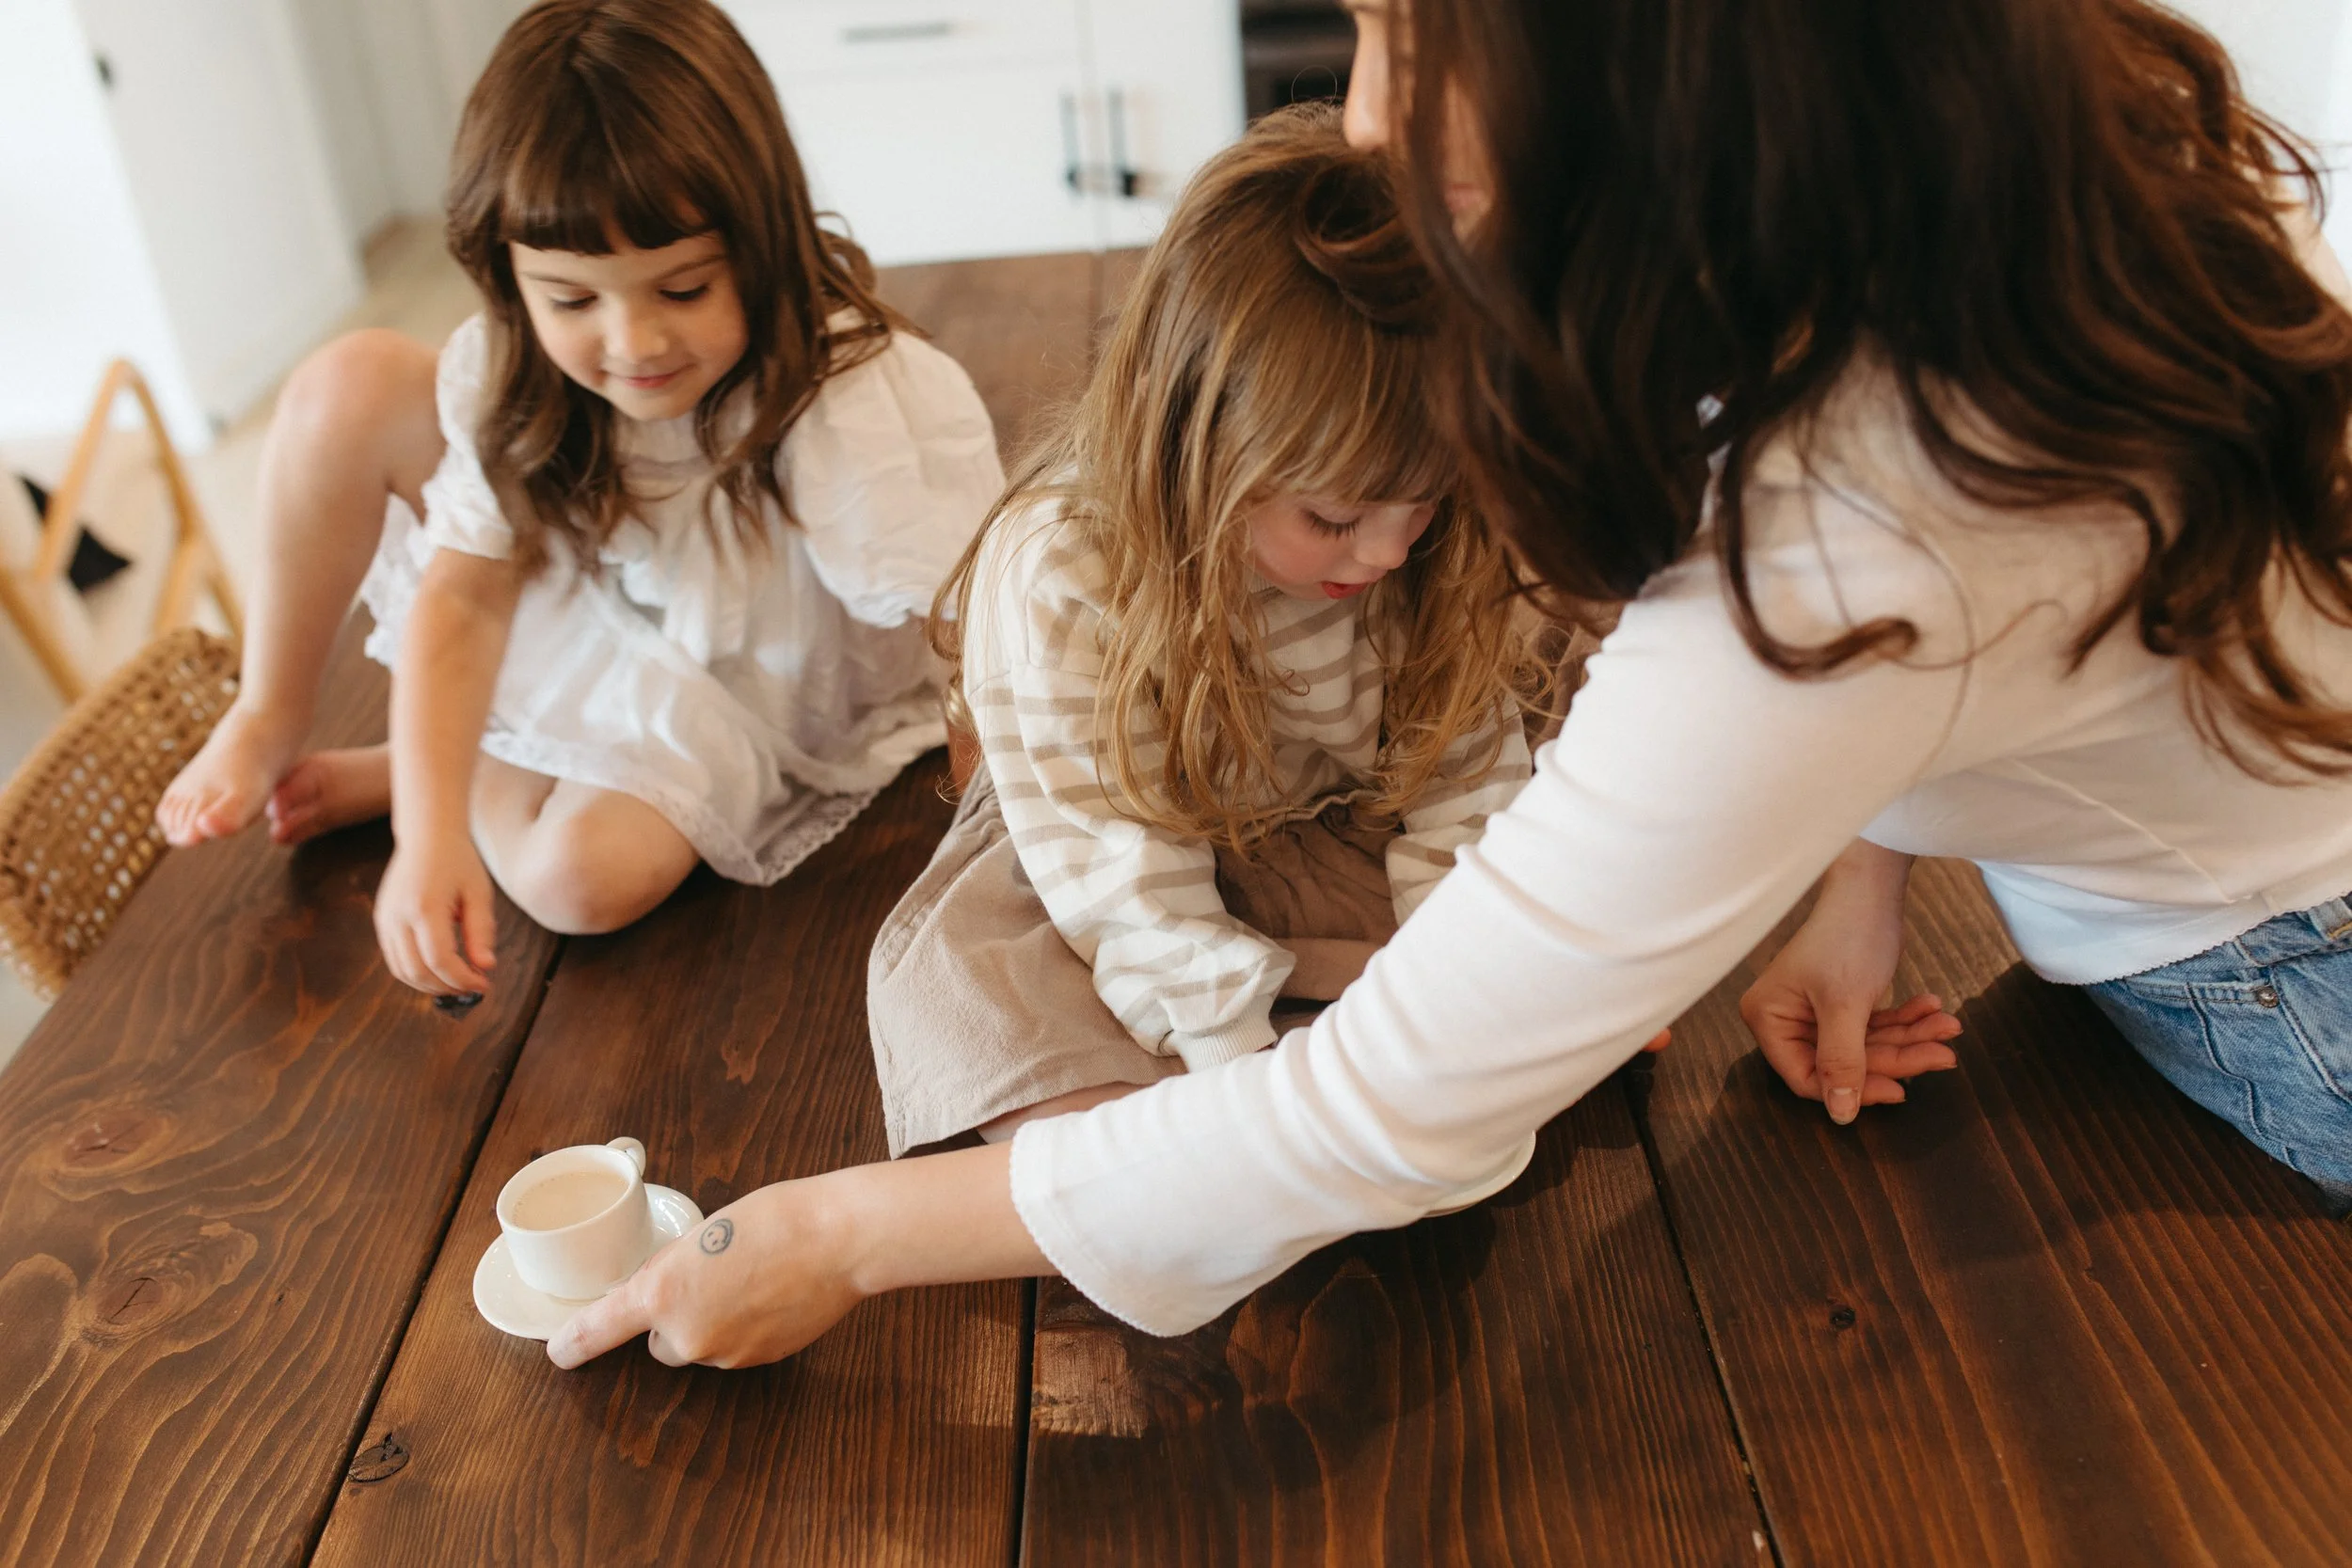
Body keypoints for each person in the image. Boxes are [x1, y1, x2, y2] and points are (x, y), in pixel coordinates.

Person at [549, 0, 2352, 1370]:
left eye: (1416, 37)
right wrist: (1859, 871)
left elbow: (1381, 1108)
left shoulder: (1844, 538)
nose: (1364, 114)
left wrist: (840, 1234)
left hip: (2285, 970)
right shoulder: (1964, 189)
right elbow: (1953, 657)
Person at [153, 0, 1002, 995]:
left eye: (683, 290)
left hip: (754, 672)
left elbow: (972, 621)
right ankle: (274, 711)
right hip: (600, 598)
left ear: (762, 242)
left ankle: (439, 760)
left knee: (579, 881)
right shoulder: (514, 367)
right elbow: (462, 602)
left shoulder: (848, 384)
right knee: (346, 386)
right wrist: (426, 845)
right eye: (571, 300)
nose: (634, 342)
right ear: (510, 282)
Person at [873, 105, 1582, 1161]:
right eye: (1335, 519)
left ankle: (1309, 983)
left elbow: (1459, 780)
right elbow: (1112, 865)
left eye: (1423, 505)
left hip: (1336, 817)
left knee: (1538, 933)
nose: (1387, 554)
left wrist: (1465, 994)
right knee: (964, 994)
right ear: (1185, 436)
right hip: (1100, 846)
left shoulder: (1423, 550)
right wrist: (1236, 1077)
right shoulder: (1064, 565)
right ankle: (1276, 1006)